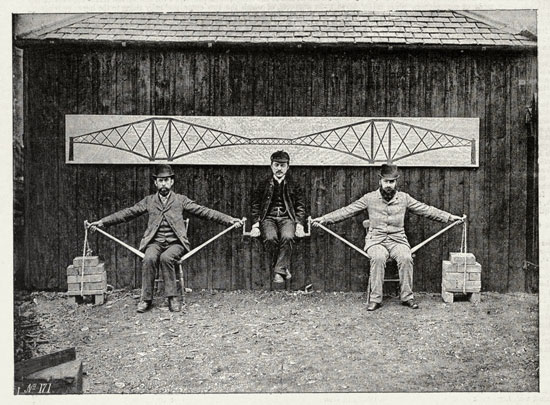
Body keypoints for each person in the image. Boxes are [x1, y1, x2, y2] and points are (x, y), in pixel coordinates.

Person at [88, 164, 243, 313]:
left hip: (176, 244)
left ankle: (172, 298)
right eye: (160, 181)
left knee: (166, 258)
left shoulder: (181, 200)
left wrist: (229, 219)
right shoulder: (149, 201)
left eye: (167, 180)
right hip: (154, 243)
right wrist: (102, 222)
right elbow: (127, 213)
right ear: (155, 183)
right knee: (149, 258)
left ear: (172, 182)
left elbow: (204, 211)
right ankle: (146, 299)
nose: (164, 184)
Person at [312, 163, 462, 311]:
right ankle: (375, 299)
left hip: (398, 241)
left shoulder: (404, 198)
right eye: (386, 181)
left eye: (392, 182)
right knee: (377, 258)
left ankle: (407, 297)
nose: (389, 185)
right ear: (380, 181)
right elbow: (347, 210)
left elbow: (426, 209)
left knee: (406, 257)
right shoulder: (369, 198)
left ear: (396, 182)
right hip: (376, 241)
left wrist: (449, 217)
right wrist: (324, 219)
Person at [250, 151, 307, 286]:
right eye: (276, 165)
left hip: (287, 218)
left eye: (282, 165)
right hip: (268, 218)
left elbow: (300, 206)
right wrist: (256, 225)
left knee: (287, 237)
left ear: (288, 167)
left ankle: (278, 271)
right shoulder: (263, 183)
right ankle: (282, 268)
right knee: (270, 238)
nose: (279, 169)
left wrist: (299, 224)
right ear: (271, 166)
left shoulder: (295, 184)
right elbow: (255, 205)